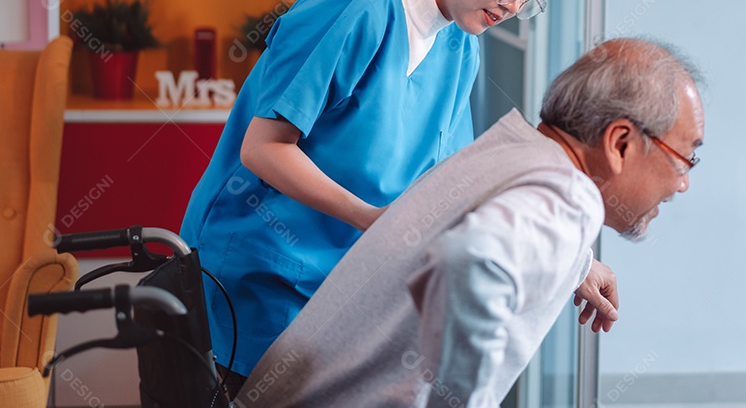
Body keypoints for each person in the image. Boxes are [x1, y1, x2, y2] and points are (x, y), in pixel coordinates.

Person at [178, 0, 621, 397]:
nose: (514, 3)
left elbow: (454, 184)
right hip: (257, 276)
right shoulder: (353, 10)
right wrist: (375, 221)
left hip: (343, 285)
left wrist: (574, 259)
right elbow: (263, 148)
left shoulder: (459, 44)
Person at [234, 37, 705, 408]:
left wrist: (576, 263)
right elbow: (468, 260)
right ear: (620, 143)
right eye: (685, 158)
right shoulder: (570, 197)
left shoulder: (511, 149)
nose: (682, 184)